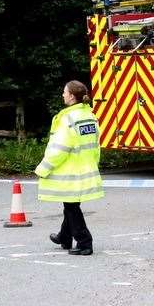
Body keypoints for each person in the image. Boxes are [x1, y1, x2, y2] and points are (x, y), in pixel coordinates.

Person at [35, 80, 103, 255]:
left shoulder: (67, 119)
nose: (63, 95)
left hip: (70, 171)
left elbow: (59, 149)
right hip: (84, 169)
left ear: (72, 96)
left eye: (65, 92)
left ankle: (84, 242)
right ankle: (64, 237)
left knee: (71, 207)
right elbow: (95, 144)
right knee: (70, 205)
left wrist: (43, 168)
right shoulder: (89, 115)